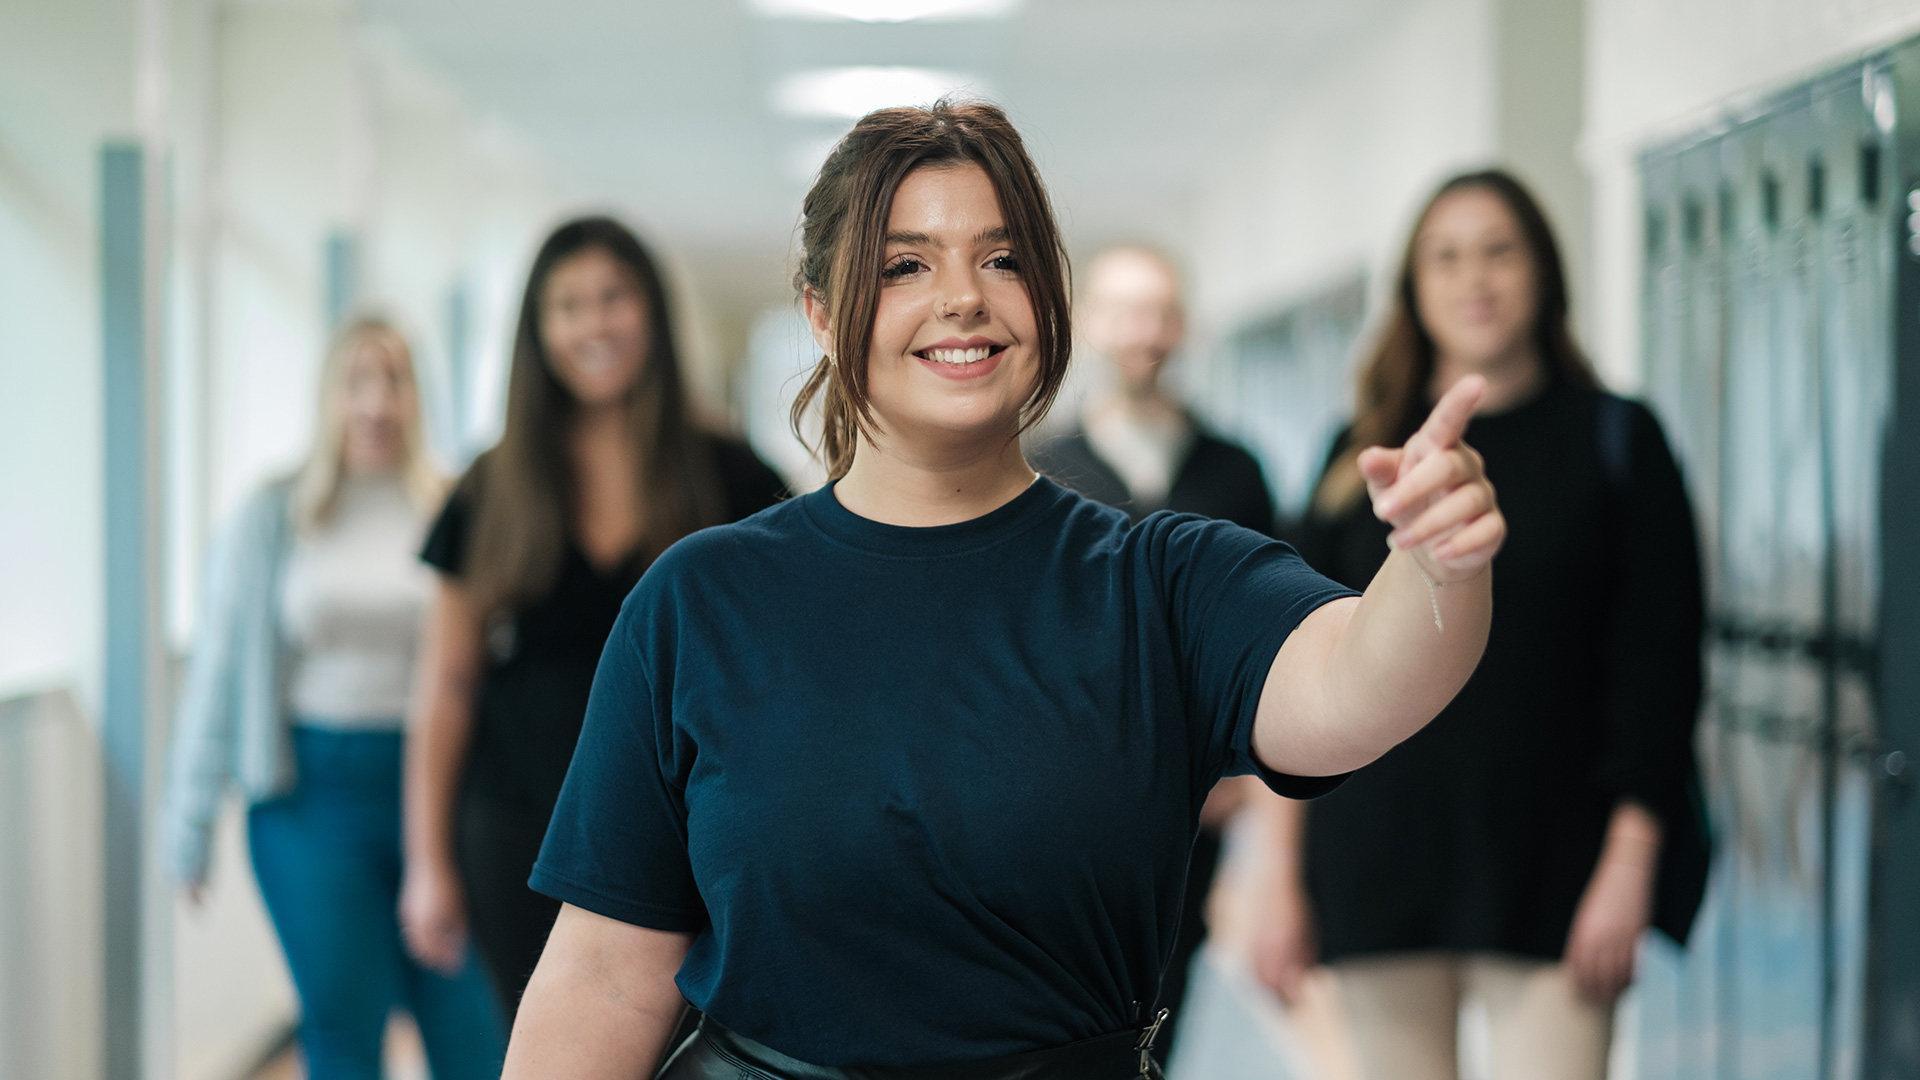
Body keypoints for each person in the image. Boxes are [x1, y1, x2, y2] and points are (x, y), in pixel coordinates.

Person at [502, 101, 1507, 1080]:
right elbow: (603, 979)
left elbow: (1355, 686)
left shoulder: (1160, 583)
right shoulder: (699, 603)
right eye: (904, 265)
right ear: (818, 309)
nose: (963, 299)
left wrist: (1437, 567)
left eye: (1003, 258)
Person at [1250, 170, 1709, 1080]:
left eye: (1500, 250)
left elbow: (1661, 668)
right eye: (1446, 256)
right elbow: (1298, 667)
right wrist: (1276, 876)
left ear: (1543, 271)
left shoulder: (1617, 439)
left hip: (1557, 858)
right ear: (1414, 289)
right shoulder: (1362, 454)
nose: (1476, 278)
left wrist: (1629, 865)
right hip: (1379, 854)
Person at [398, 217, 787, 1018]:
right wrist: (427, 861)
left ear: (651, 313)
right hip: (519, 827)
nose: (594, 324)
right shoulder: (491, 485)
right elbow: (446, 684)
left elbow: (777, 677)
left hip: (684, 827)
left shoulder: (731, 475)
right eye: (568, 305)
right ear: (538, 332)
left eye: (614, 298)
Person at [162, 318, 507, 1080]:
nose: (376, 404)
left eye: (394, 382)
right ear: (330, 397)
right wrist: (186, 821)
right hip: (308, 799)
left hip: (441, 790)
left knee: (470, 1032)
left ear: (420, 398)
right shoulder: (275, 514)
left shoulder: (455, 505)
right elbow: (219, 671)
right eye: (358, 383)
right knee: (344, 1027)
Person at [1029, 243, 1276, 1063]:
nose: (1146, 331)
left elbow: (1263, 631)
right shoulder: (1039, 469)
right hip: (1065, 805)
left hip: (1196, 814)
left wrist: (1235, 769)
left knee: (1161, 1009)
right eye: (1126, 310)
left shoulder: (1235, 471)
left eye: (1162, 311)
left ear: (1183, 327)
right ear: (1090, 323)